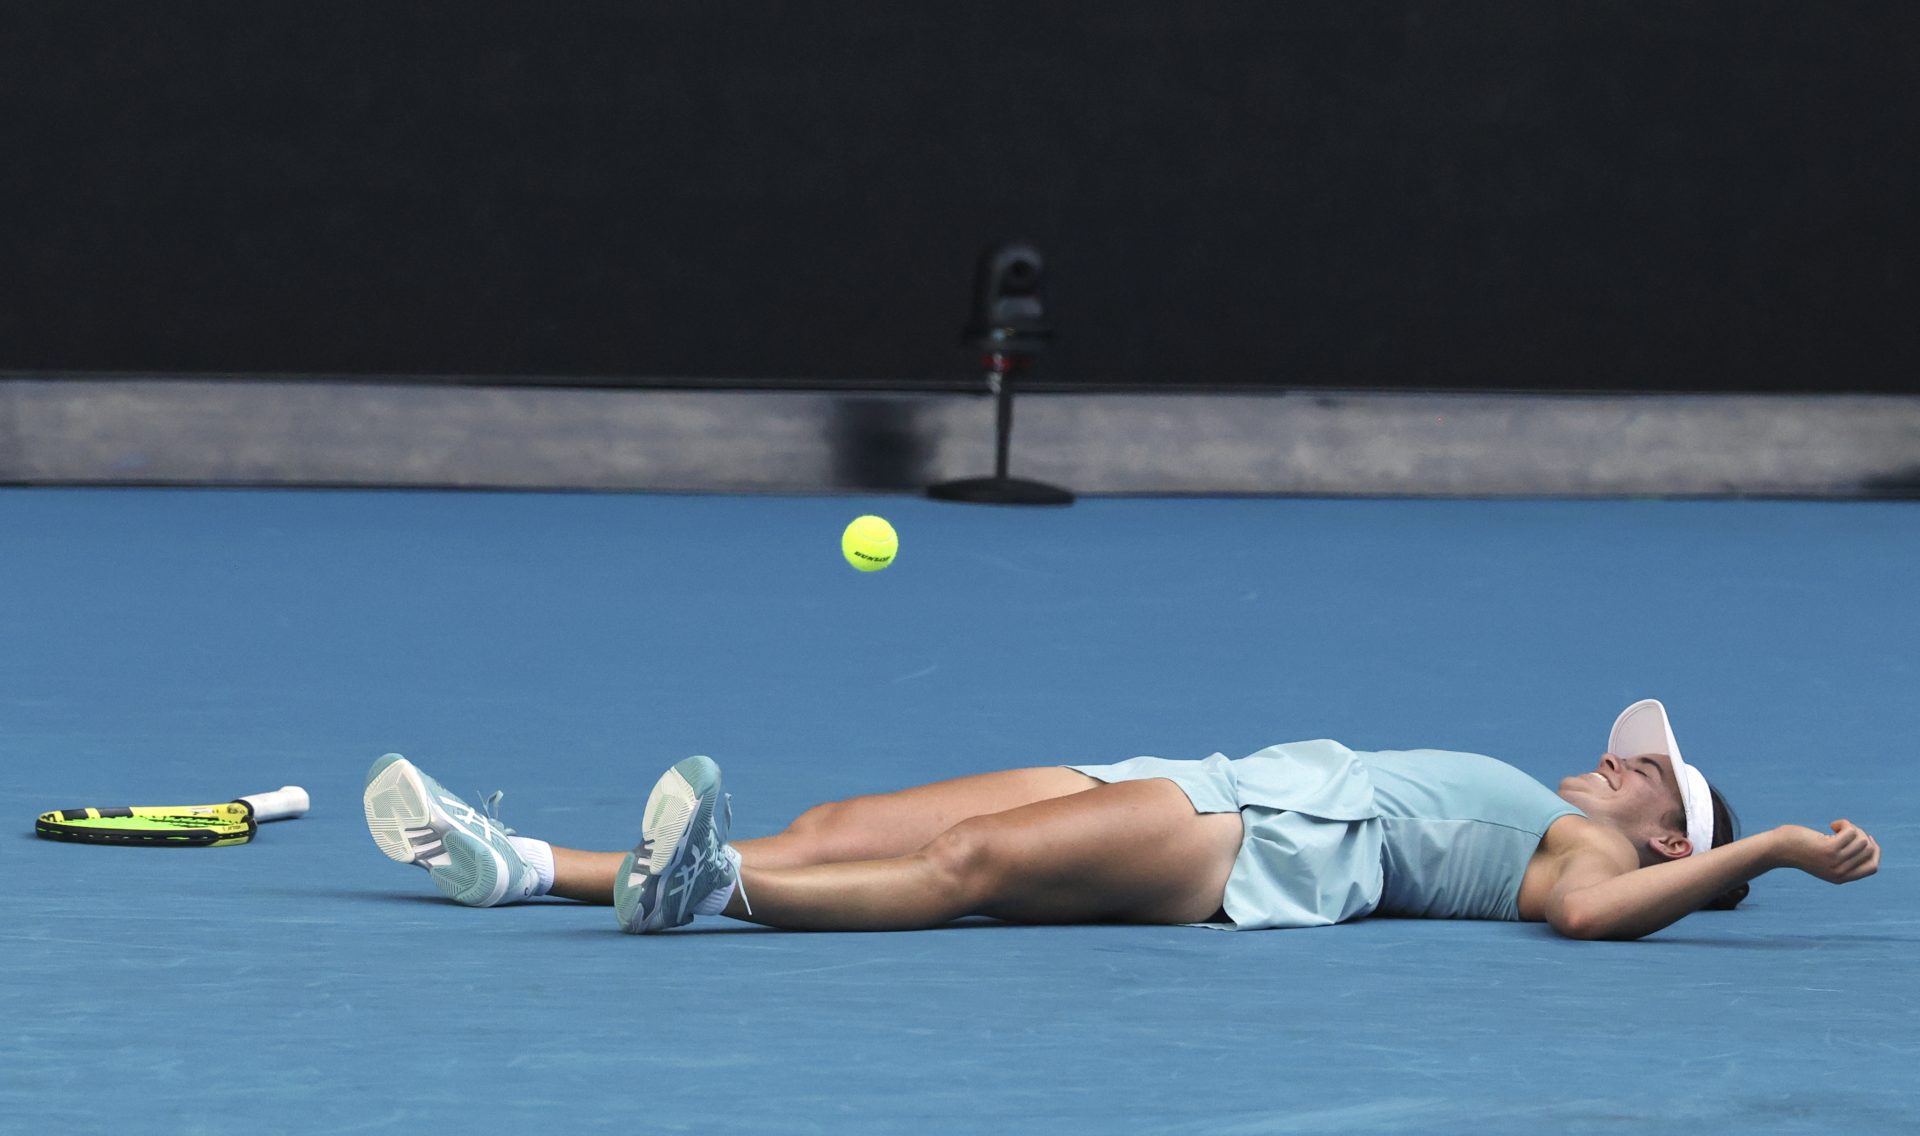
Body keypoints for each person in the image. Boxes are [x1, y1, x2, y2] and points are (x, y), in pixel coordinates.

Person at [361, 699, 1880, 940]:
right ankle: (525, 866)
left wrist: (1779, 853)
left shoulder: (1603, 862)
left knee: (960, 872)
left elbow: (1593, 922)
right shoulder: (1586, 814)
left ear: (1672, 838)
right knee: (845, 812)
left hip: (1258, 850)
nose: (1617, 769)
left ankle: (716, 899)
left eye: (1646, 778)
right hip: (1212, 778)